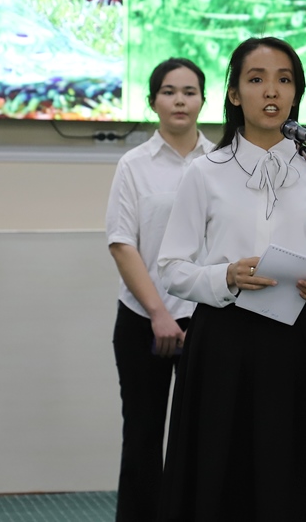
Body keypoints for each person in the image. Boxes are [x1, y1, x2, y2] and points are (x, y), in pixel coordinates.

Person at [156, 36, 306, 522]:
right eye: (256, 79)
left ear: (296, 94)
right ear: (234, 94)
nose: (271, 91)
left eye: (284, 80)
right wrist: (224, 276)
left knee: (294, 475)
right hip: (223, 343)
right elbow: (171, 268)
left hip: (297, 341)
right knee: (223, 474)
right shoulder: (205, 172)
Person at [106, 58, 214, 522]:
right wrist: (159, 313)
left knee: (203, 440)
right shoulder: (134, 165)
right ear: (153, 101)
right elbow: (121, 243)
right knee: (143, 437)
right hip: (142, 319)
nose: (180, 101)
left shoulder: (221, 162)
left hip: (207, 319)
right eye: (169, 92)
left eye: (189, 92)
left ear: (204, 101)